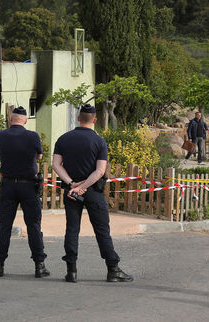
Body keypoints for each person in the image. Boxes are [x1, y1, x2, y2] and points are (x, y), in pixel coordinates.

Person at [52, 104, 133, 283]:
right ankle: (113, 269)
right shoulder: (99, 141)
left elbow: (56, 165)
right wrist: (84, 186)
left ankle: (71, 271)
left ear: (78, 118)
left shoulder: (63, 139)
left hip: (71, 191)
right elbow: (100, 171)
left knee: (72, 229)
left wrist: (72, 184)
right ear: (95, 120)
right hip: (93, 191)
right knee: (102, 229)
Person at [0, 106, 50, 278]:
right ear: (25, 120)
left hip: (8, 185)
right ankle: (39, 265)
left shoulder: (0, 135)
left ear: (10, 119)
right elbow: (39, 156)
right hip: (28, 185)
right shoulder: (33, 136)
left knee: (4, 225)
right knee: (33, 225)